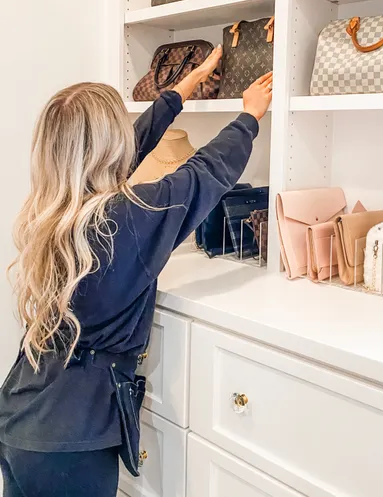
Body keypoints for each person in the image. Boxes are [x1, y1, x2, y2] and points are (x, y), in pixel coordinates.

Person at [0, 44, 272, 497]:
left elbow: (133, 142)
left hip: (24, 414)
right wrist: (249, 118)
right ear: (110, 147)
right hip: (71, 442)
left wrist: (185, 87)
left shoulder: (54, 211)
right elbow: (203, 174)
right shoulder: (124, 221)